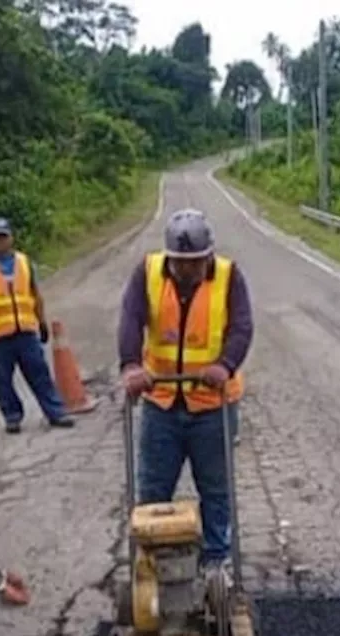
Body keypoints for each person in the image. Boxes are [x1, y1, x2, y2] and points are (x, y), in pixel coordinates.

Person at [117, 208, 253, 583]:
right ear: (170, 258)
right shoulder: (147, 273)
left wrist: (225, 365)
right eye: (179, 263)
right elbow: (131, 318)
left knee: (215, 487)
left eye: (193, 263)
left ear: (207, 256)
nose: (186, 270)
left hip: (212, 405)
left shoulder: (229, 276)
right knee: (153, 487)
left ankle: (215, 561)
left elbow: (242, 326)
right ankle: (153, 559)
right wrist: (131, 365)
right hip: (161, 401)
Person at [0, 217, 74, 434]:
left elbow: (36, 293)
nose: (1, 242)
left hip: (26, 332)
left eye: (4, 236)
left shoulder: (24, 262)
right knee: (2, 380)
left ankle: (56, 412)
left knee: (40, 373)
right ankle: (12, 417)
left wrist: (41, 321)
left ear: (11, 237)